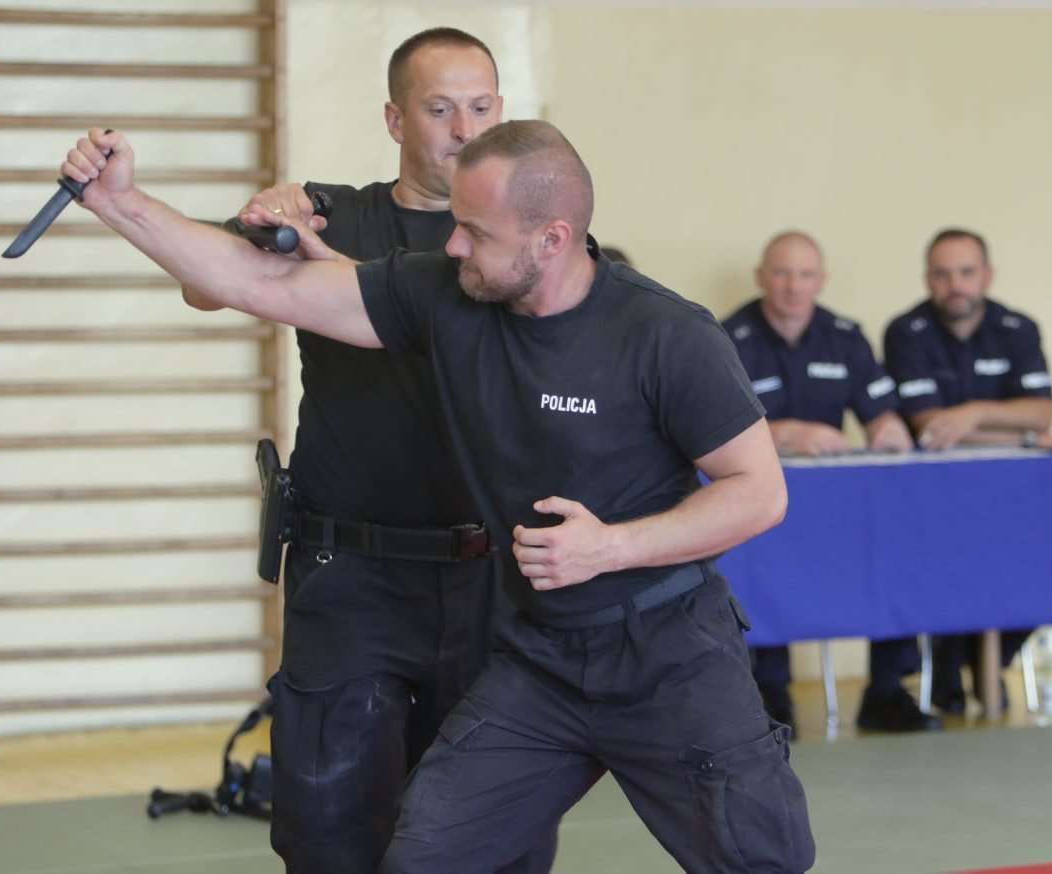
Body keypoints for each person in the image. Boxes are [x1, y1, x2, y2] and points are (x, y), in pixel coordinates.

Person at [61, 119, 816, 873]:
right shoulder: (445, 296)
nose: (452, 245)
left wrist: (611, 546)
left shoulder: (666, 335)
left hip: (668, 657)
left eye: (475, 232)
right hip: (543, 661)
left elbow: (760, 494)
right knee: (422, 860)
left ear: (551, 239)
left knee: (762, 862)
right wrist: (119, 202)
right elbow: (260, 282)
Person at [183, 28, 551, 872]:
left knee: (494, 833)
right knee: (331, 833)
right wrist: (262, 222)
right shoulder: (332, 213)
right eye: (440, 109)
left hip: (487, 578)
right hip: (349, 579)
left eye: (481, 107)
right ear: (395, 120)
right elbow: (204, 286)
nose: (465, 128)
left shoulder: (521, 243)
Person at [723, 232, 939, 734]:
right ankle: (770, 694)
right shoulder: (727, 337)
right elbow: (711, 427)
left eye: (805, 275)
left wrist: (888, 428)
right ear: (761, 278)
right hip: (759, 505)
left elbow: (881, 412)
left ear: (821, 280)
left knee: (896, 546)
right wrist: (786, 433)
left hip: (837, 509)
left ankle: (887, 690)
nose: (793, 286)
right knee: (756, 563)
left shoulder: (845, 336)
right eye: (782, 273)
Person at [883, 227, 1052, 714]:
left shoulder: (1018, 328)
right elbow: (928, 426)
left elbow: (1042, 413)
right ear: (928, 279)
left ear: (987, 275)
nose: (955, 285)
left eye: (965, 272)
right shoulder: (906, 332)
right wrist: (1020, 437)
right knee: (938, 565)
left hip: (1012, 497)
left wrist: (973, 413)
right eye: (942, 274)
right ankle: (950, 663)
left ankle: (982, 659)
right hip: (932, 499)